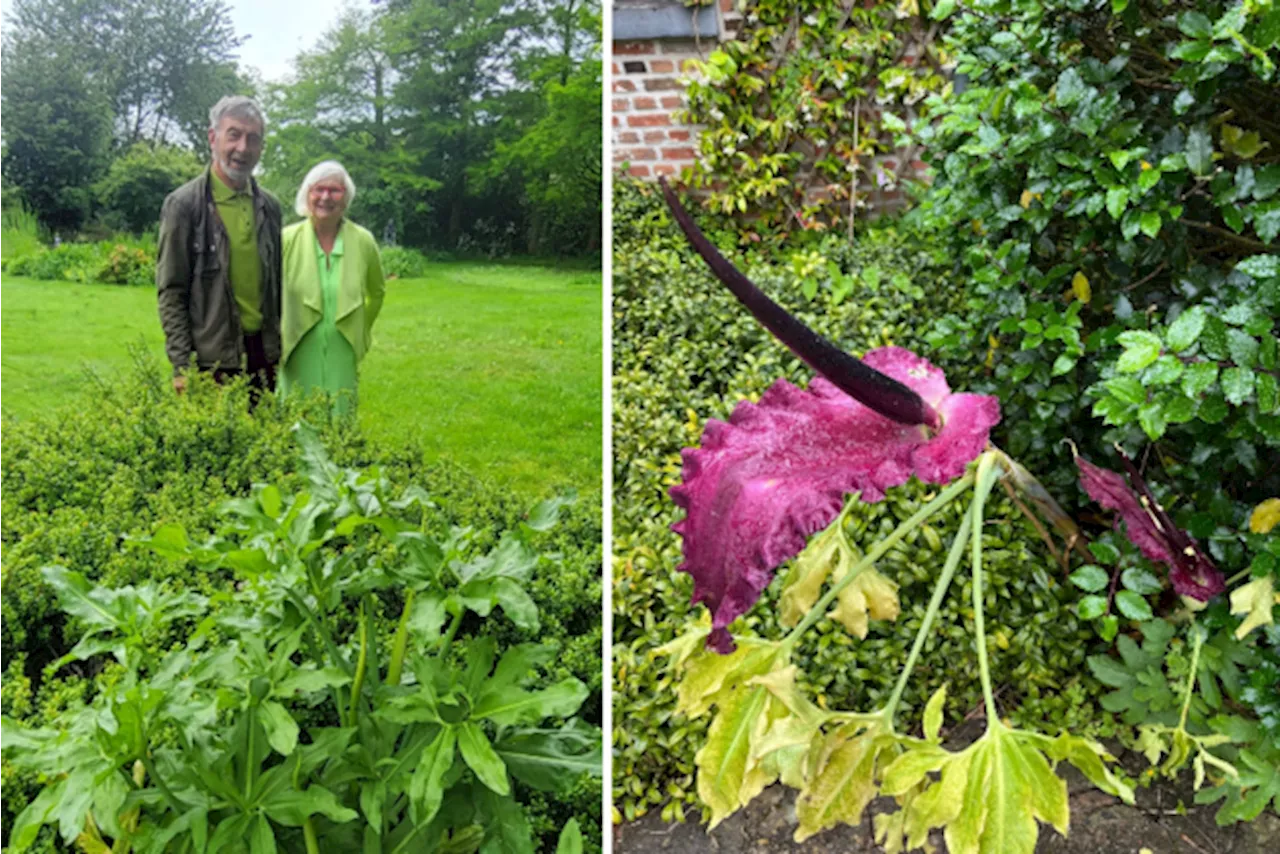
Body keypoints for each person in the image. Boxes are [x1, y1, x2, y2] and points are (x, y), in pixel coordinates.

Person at [156, 95, 283, 399]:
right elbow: (171, 291)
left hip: (263, 357)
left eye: (253, 139)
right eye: (234, 135)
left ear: (261, 147)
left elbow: (277, 286)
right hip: (211, 361)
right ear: (213, 138)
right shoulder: (184, 205)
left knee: (265, 443)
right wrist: (182, 366)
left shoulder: (270, 207)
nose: (243, 148)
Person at [279, 161, 385, 417]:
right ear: (307, 194)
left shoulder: (363, 241)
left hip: (342, 349)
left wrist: (360, 329)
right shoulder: (285, 239)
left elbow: (377, 292)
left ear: (346, 197)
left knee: (340, 422)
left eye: (335, 190)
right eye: (319, 189)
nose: (326, 197)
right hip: (295, 348)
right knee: (295, 422)